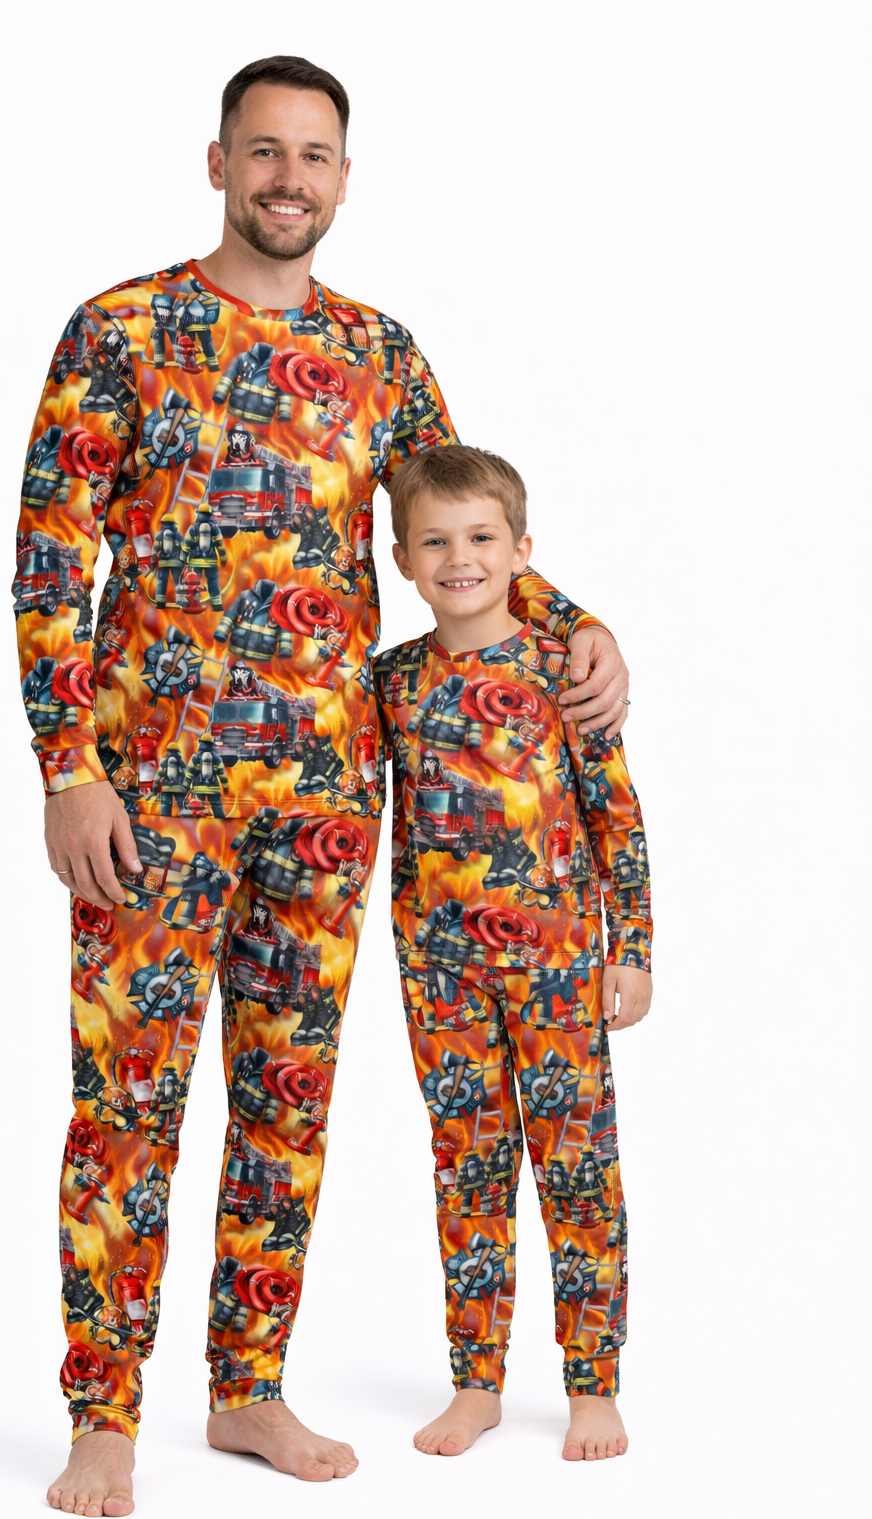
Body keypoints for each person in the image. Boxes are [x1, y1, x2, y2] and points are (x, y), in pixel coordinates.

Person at [15, 56, 631, 1517]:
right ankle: (104, 1414)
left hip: (330, 798)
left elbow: (459, 533)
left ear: (344, 179)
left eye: (315, 156)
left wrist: (574, 624)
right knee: (127, 1105)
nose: (289, 178)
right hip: (152, 801)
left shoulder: (380, 352)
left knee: (284, 1107)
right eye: (265, 151)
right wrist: (68, 770)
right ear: (218, 162)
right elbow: (48, 561)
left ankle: (245, 1391)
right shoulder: (119, 330)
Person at [374, 445, 651, 1463]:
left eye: (482, 538)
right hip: (438, 973)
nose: (461, 558)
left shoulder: (563, 670)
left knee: (577, 1171)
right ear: (403, 560)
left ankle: (592, 1385)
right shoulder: (389, 682)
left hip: (562, 967)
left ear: (522, 552)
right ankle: (475, 1382)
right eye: (435, 542)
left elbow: (616, 815)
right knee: (467, 1171)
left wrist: (633, 948)